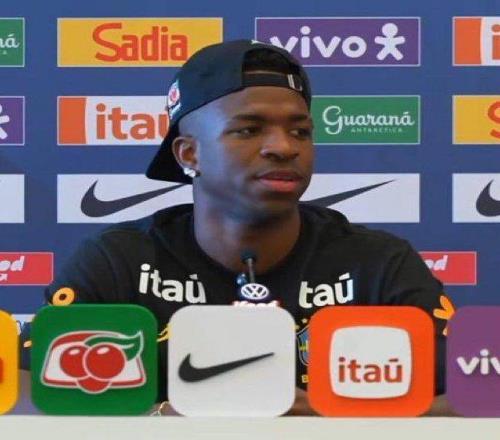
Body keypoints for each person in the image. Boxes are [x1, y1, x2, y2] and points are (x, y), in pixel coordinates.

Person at [21, 40, 452, 415]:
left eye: (300, 132)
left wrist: (331, 416)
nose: (283, 147)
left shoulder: (378, 263)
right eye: (248, 130)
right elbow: (24, 391)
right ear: (189, 154)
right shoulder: (119, 261)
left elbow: (470, 398)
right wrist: (160, 421)